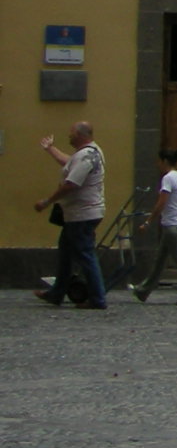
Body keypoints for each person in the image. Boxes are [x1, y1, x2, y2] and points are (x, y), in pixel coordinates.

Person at [33, 122, 109, 309]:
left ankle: (98, 298)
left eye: (71, 133)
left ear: (81, 135)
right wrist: (50, 149)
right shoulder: (89, 153)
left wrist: (47, 201)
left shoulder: (85, 155)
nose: (69, 136)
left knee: (85, 255)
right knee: (66, 253)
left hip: (82, 214)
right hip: (77, 214)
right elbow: (69, 163)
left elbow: (71, 183)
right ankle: (57, 293)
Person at [132, 148, 177, 306]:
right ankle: (143, 290)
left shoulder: (168, 179)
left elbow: (161, 202)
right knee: (160, 259)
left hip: (172, 225)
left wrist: (149, 221)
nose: (157, 164)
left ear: (164, 161)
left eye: (159, 161)